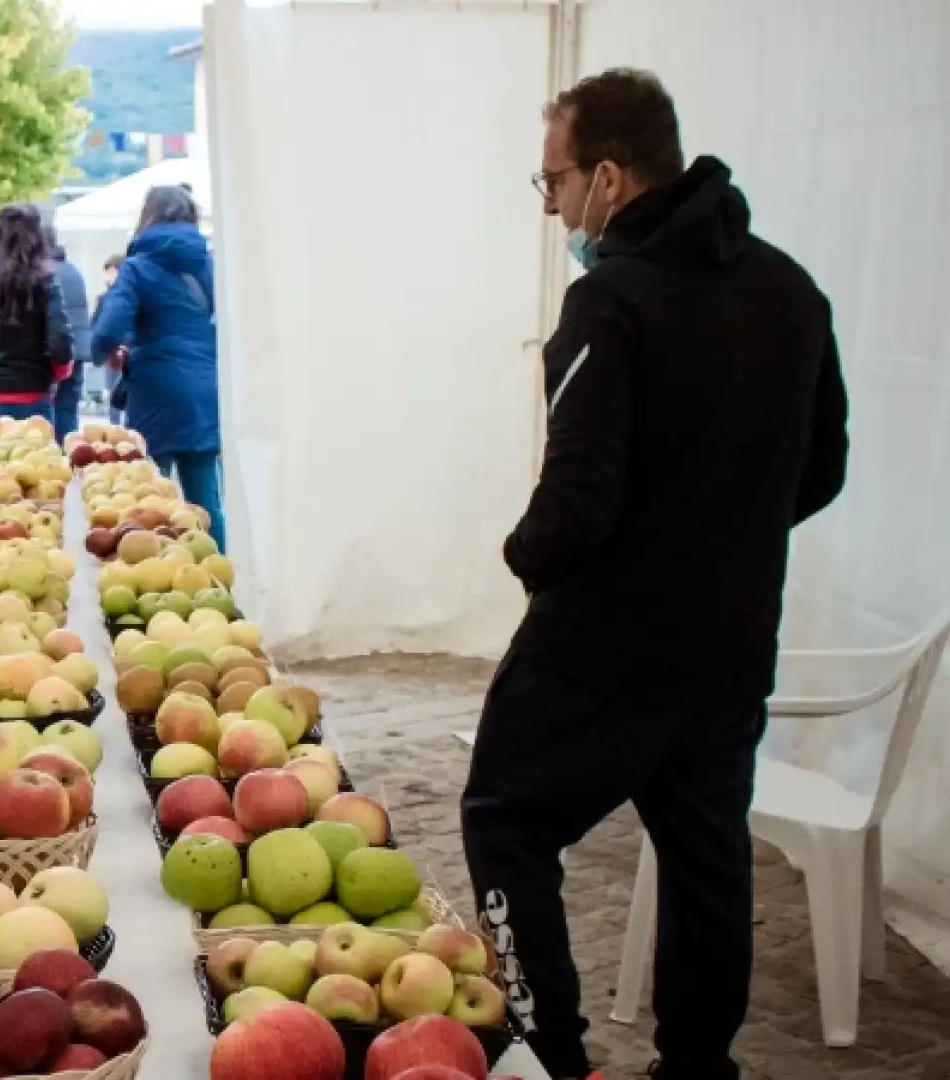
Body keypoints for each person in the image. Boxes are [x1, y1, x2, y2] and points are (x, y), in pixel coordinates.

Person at [460, 69, 848, 1080]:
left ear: (612, 177)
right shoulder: (793, 291)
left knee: (505, 821)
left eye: (555, 182)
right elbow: (823, 469)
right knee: (708, 864)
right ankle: (697, 1069)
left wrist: (525, 556)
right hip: (729, 644)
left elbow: (579, 496)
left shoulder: (609, 302)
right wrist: (718, 537)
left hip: (603, 649)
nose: (551, 207)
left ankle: (550, 1055)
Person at [90, 185, 225, 549]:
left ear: (147, 218)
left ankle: (157, 567)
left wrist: (103, 351)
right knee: (205, 496)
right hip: (205, 385)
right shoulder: (211, 264)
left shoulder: (137, 268)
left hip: (155, 392)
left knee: (150, 495)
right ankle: (218, 573)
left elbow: (108, 329)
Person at [0, 203, 73, 424]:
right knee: (34, 455)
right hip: (34, 391)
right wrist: (60, 371)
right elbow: (59, 339)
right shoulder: (45, 278)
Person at [44, 218, 94, 440]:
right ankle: (69, 450)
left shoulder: (43, 272)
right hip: (78, 349)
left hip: (54, 352)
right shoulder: (72, 271)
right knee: (68, 408)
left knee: (50, 409)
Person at [94, 254, 127, 423]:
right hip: (112, 356)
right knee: (113, 395)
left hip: (128, 353)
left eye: (111, 272)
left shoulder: (129, 296)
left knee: (128, 394)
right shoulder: (103, 299)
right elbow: (96, 324)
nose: (108, 277)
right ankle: (114, 430)